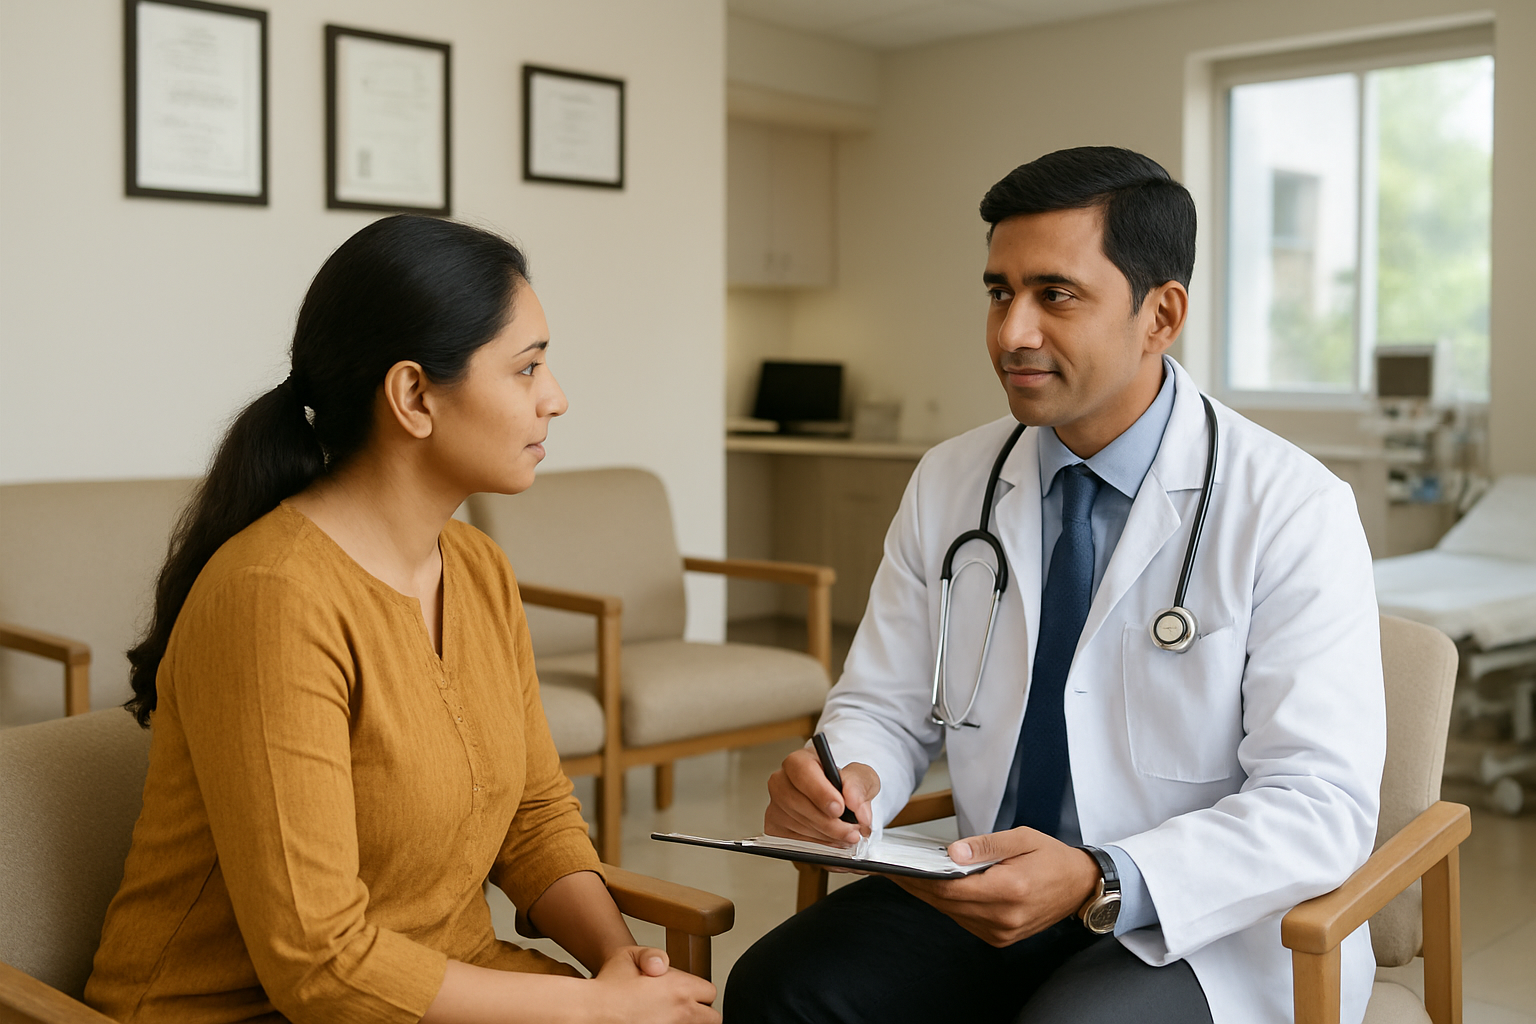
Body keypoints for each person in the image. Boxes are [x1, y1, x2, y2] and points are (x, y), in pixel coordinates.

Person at [725, 148, 1385, 1024]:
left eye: (1055, 295)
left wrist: (1106, 873)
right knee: (781, 987)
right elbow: (883, 705)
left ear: (1162, 314)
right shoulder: (950, 480)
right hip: (987, 884)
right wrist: (844, 780)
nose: (1012, 333)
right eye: (1000, 292)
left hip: (1202, 917)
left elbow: (1319, 803)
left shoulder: (1292, 506)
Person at [85, 216, 719, 1024]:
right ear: (414, 395)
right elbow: (320, 966)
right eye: (526, 369)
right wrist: (597, 1012)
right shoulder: (272, 598)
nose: (555, 398)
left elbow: (533, 816)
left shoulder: (480, 570)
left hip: (444, 983)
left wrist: (617, 962)